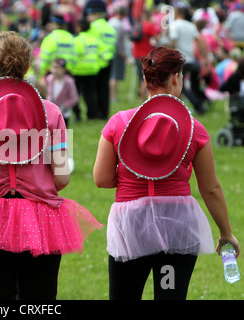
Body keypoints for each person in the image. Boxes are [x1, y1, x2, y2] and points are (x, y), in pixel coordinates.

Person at [0, 31, 102, 300]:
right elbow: (61, 178)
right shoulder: (51, 112)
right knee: (39, 299)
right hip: (40, 219)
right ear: (27, 66)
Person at [93, 46, 240, 300]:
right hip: (176, 228)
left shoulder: (118, 123)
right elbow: (210, 188)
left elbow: (102, 179)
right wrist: (226, 233)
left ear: (145, 80)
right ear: (176, 78)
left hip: (132, 226)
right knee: (170, 295)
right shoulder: (195, 129)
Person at [169, 5, 209, 114]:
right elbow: (200, 42)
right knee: (195, 84)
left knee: (181, 87)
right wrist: (205, 58)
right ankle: (204, 100)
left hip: (180, 59)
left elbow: (173, 42)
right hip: (191, 59)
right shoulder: (191, 25)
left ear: (177, 13)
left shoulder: (174, 25)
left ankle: (198, 105)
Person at [85, 0, 117, 119]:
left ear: (95, 14)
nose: (88, 17)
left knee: (94, 89)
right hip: (109, 60)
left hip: (96, 61)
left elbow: (91, 44)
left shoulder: (93, 27)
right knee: (104, 88)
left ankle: (95, 113)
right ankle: (104, 113)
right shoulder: (110, 27)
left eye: (89, 14)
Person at [45, 58, 78, 128]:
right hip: (52, 112)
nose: (54, 70)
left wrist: (63, 107)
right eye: (53, 67)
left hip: (64, 113)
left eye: (57, 68)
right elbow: (47, 94)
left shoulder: (69, 81)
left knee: (64, 132)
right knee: (53, 133)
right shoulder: (49, 79)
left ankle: (67, 139)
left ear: (64, 70)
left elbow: (74, 98)